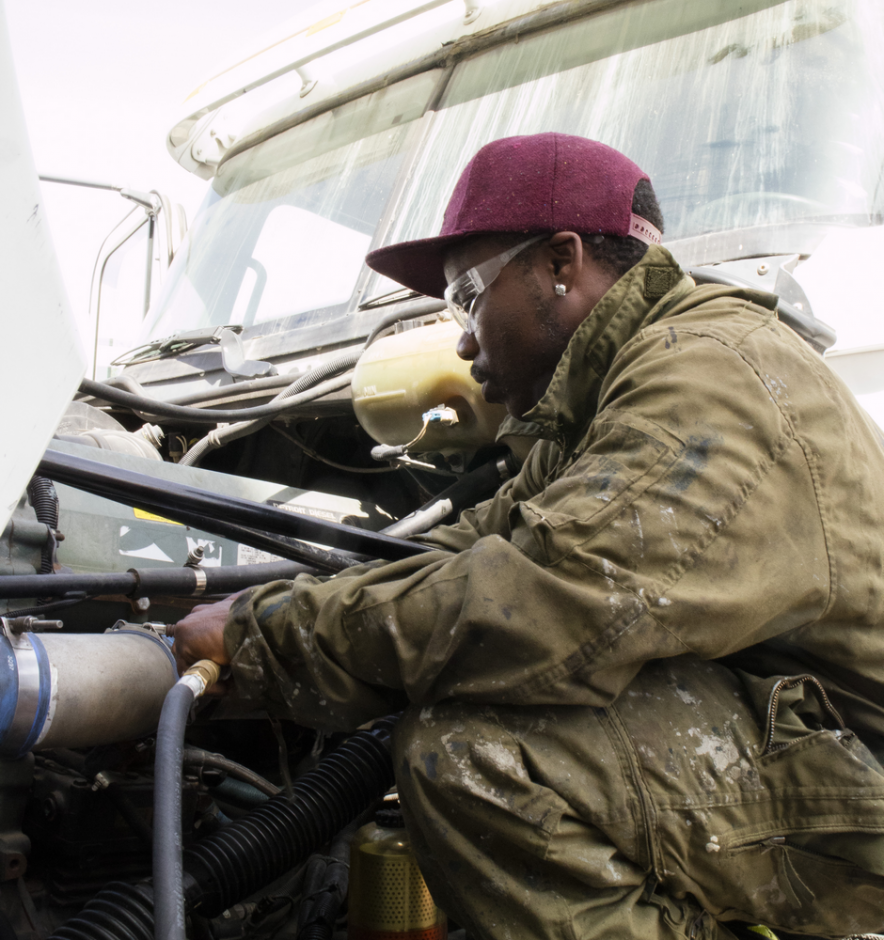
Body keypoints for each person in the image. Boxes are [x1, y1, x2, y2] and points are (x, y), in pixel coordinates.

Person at [172, 134, 884, 939]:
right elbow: (475, 547)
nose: (466, 341)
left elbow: (549, 602)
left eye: (465, 298)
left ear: (560, 262)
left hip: (865, 779)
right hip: (810, 745)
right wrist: (278, 605)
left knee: (477, 753)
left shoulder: (706, 376)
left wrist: (268, 639)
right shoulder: (602, 397)